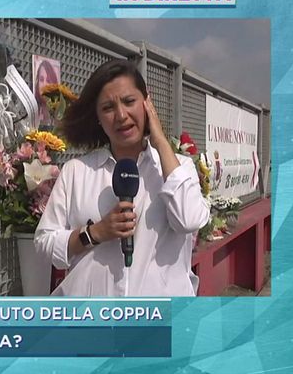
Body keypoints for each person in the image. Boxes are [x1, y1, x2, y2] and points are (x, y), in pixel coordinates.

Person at [34, 59, 209, 296]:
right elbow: (44, 244)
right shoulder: (76, 171)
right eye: (108, 108)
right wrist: (94, 233)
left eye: (129, 102)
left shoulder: (179, 168)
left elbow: (189, 220)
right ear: (97, 116)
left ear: (147, 103)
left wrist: (160, 140)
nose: (121, 115)